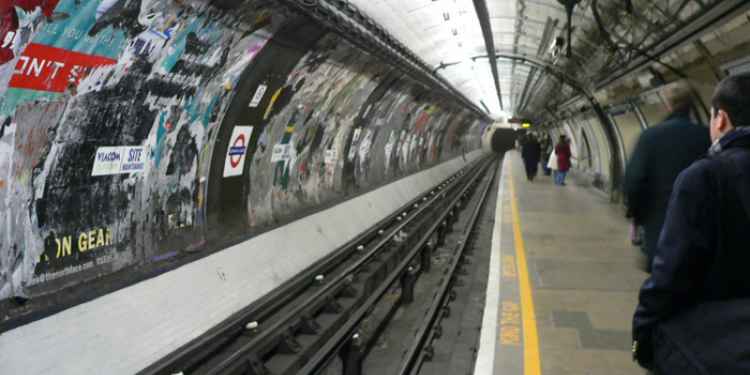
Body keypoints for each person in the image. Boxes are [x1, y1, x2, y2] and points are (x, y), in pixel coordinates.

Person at [632, 73, 750, 374]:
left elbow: (671, 272)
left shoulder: (705, 174)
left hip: (712, 342)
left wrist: (642, 330)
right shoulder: (700, 141)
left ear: (721, 119)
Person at [624, 82, 710, 272]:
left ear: (667, 104)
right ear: (692, 104)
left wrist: (636, 214)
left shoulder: (650, 137)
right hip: (699, 225)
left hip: (659, 224)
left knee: (661, 282)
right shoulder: (706, 136)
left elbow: (634, 180)